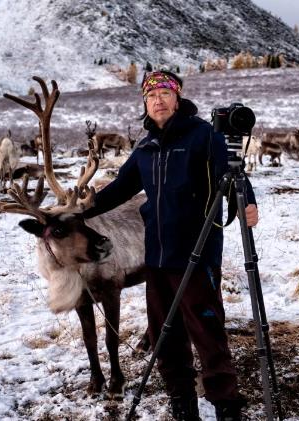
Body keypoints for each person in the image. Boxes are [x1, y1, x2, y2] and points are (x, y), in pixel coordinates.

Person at [82, 70, 258, 421]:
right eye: (151, 96)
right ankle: (182, 402)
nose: (158, 100)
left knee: (207, 334)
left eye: (164, 93)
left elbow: (231, 174)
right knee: (166, 337)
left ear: (177, 98)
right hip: (157, 259)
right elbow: (120, 189)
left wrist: (246, 203)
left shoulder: (204, 135)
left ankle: (226, 405)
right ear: (145, 104)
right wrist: (81, 210)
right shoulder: (146, 148)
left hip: (197, 253)